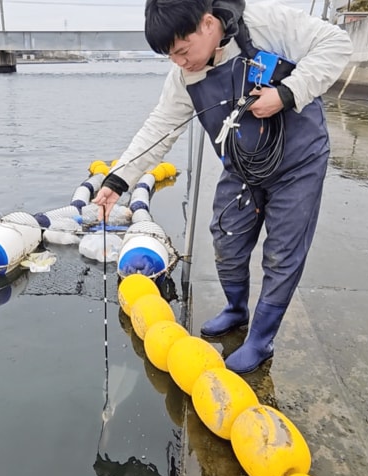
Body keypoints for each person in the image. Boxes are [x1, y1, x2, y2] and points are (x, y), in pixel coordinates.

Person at [93, 0, 352, 373]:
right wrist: (117, 181)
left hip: (297, 160)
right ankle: (236, 309)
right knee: (226, 239)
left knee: (282, 253)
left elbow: (335, 44)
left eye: (183, 51)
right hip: (243, 163)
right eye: (171, 56)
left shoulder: (263, 23)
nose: (180, 63)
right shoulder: (185, 75)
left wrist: (287, 93)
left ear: (209, 24)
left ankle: (260, 340)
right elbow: (159, 130)